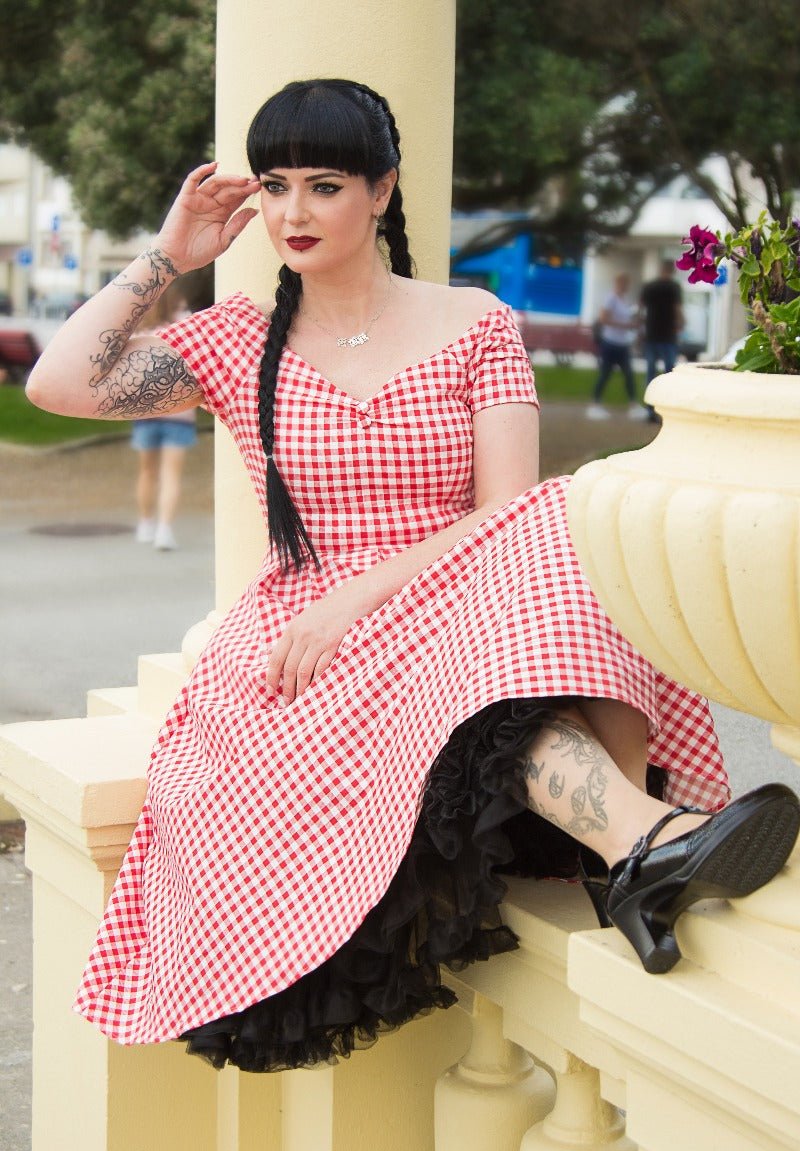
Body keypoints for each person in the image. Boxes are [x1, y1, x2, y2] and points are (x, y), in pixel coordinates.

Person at [26, 79, 799, 1072]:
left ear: (382, 191)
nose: (292, 212)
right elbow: (59, 384)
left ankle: (635, 847)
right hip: (305, 646)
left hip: (453, 601)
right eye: (274, 186)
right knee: (480, 672)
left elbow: (510, 515)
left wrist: (364, 593)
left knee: (566, 518)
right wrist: (168, 257)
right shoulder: (235, 340)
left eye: (325, 184)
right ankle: (646, 847)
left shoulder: (473, 324)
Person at [129, 287, 197, 550]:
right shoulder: (185, 322)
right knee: (171, 475)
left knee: (147, 472)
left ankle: (146, 523)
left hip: (146, 412)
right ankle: (164, 530)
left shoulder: (140, 328)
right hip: (179, 412)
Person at [588, 272, 641, 421]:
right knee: (605, 373)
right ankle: (595, 404)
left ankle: (633, 404)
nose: (626, 286)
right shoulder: (611, 298)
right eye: (624, 283)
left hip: (622, 343)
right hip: (610, 343)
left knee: (628, 374)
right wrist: (626, 325)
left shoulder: (623, 300)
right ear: (618, 283)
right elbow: (603, 318)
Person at [640, 259, 685, 421]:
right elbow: (677, 308)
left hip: (652, 333)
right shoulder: (674, 287)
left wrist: (640, 328)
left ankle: (650, 410)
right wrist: (681, 322)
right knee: (668, 373)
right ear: (671, 271)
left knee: (651, 373)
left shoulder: (650, 286)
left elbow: (641, 308)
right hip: (668, 334)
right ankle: (666, 409)